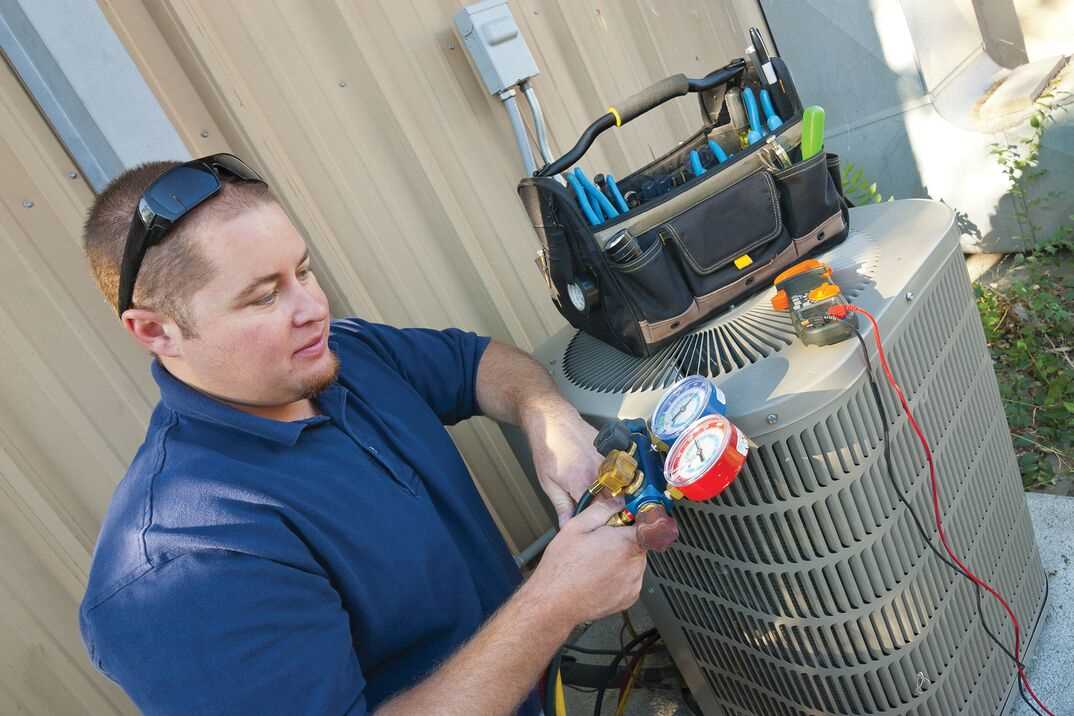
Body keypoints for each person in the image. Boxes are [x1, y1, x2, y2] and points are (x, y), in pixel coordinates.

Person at [77, 154, 647, 715]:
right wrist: (553, 603)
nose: (314, 308)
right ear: (156, 331)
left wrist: (548, 418)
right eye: (265, 296)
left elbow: (476, 364)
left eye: (302, 270)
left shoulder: (344, 355)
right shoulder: (183, 566)